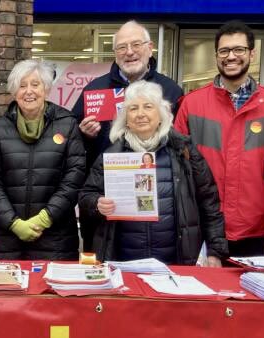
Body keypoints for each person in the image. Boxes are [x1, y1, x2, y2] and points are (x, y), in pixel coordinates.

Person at [79, 81, 227, 265]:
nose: (140, 114)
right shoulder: (111, 155)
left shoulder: (184, 152)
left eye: (148, 107)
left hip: (177, 262)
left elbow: (209, 203)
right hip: (124, 262)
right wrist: (97, 203)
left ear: (161, 114)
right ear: (125, 118)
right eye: (133, 109)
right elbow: (86, 196)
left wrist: (215, 252)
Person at [175, 21, 264, 257]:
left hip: (252, 226)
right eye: (224, 51)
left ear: (252, 54)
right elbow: (178, 164)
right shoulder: (192, 104)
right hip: (202, 224)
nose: (231, 56)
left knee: (247, 292)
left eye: (239, 50)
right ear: (216, 56)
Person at [73, 20, 183, 250]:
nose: (129, 52)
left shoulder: (171, 90)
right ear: (114, 53)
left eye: (136, 44)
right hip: (105, 201)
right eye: (122, 47)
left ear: (150, 47)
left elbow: (180, 143)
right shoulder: (95, 89)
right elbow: (72, 143)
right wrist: (84, 135)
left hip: (160, 203)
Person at [0, 59, 86, 260]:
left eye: (35, 84)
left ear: (46, 89)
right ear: (14, 92)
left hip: (56, 237)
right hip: (9, 238)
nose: (29, 91)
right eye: (22, 86)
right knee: (9, 289)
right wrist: (14, 224)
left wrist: (45, 218)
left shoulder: (67, 124)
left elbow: (75, 177)